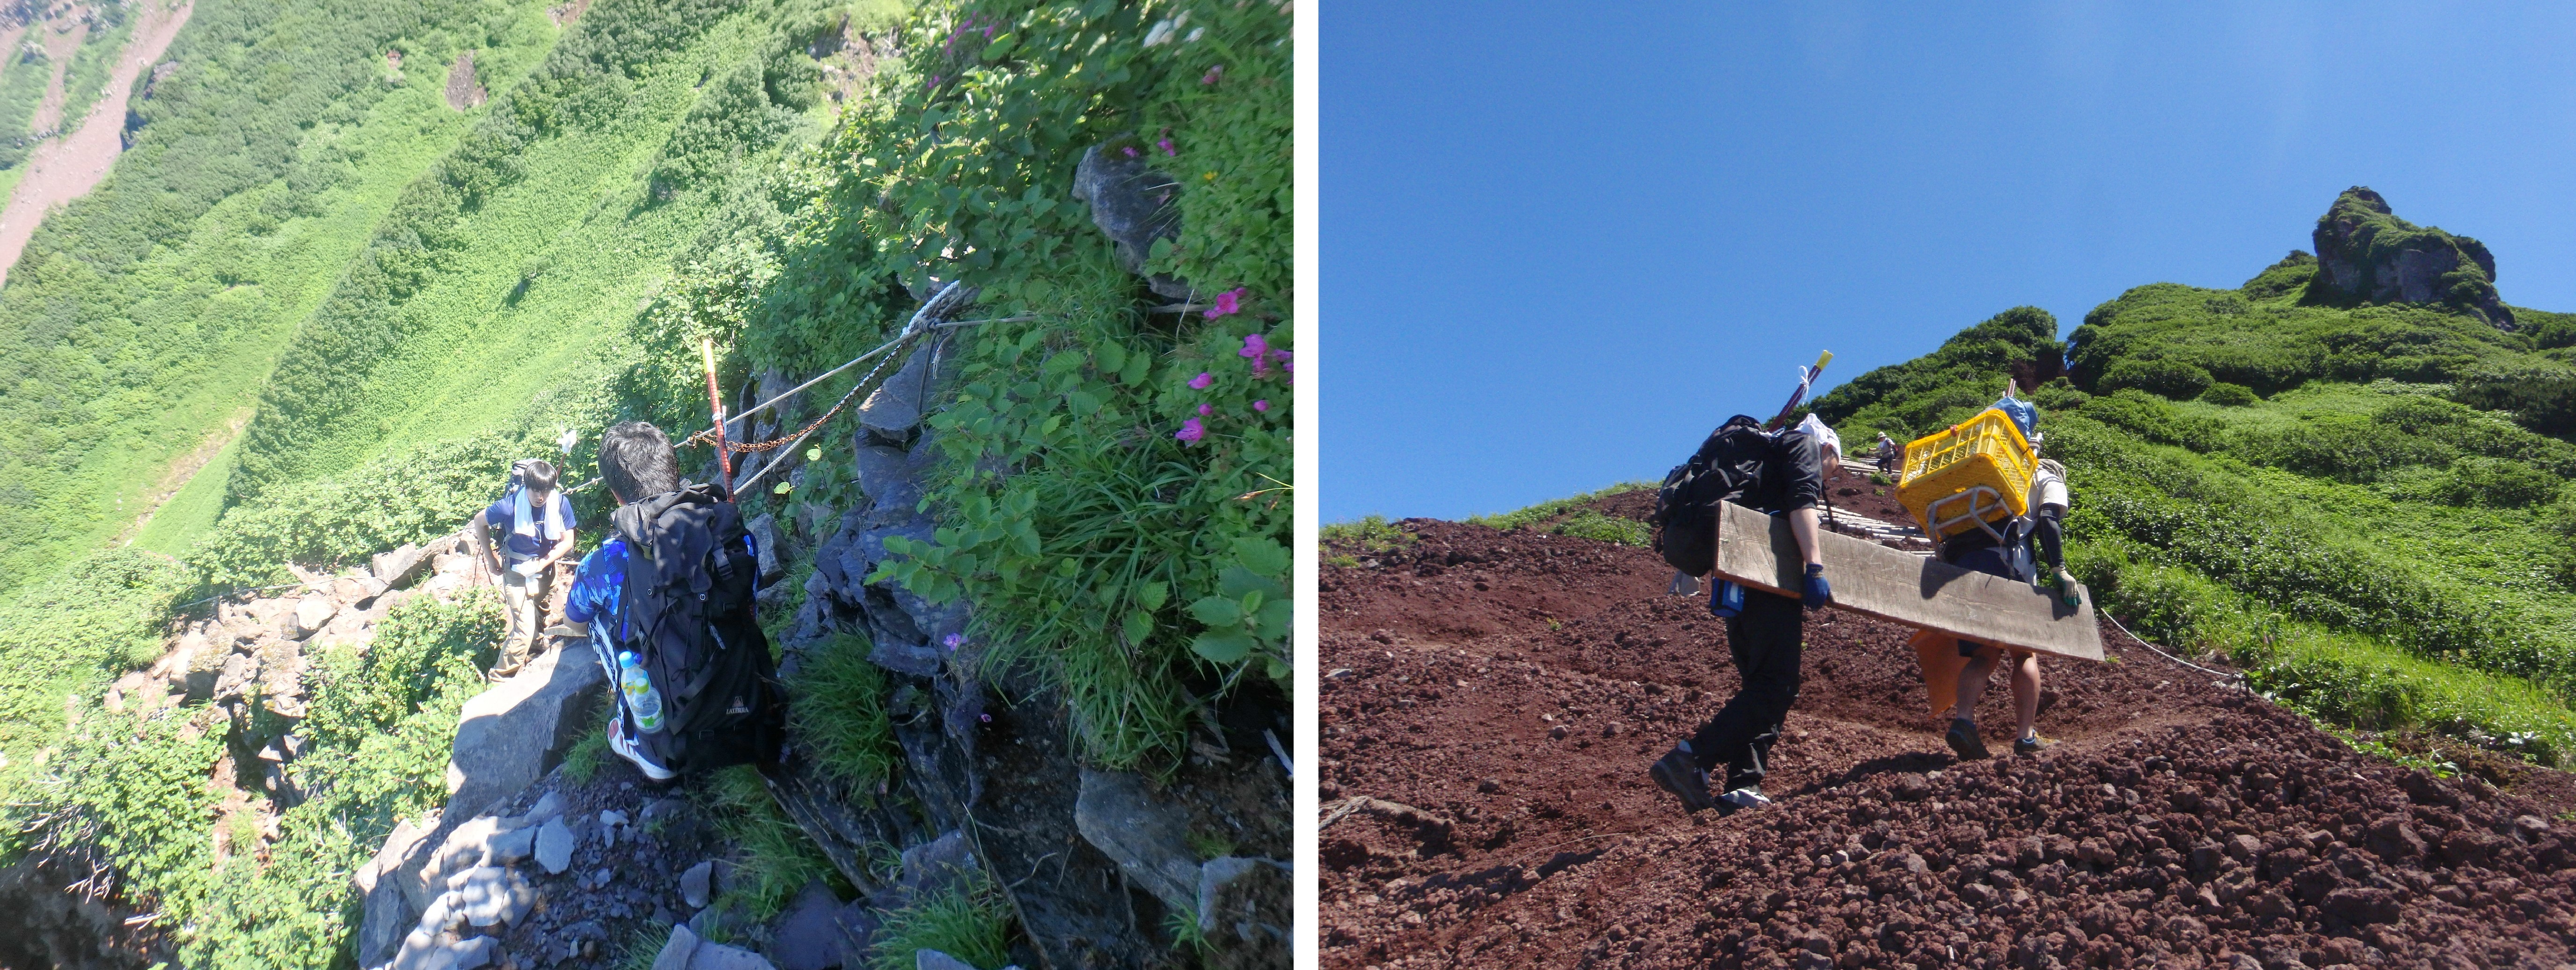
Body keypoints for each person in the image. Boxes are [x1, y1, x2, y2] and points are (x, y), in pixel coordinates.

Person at [560, 421, 772, 781]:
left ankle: (644, 741)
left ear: (617, 495)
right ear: (673, 471)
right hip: (746, 693)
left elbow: (574, 622)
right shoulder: (728, 531)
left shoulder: (604, 562)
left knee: (597, 622)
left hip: (675, 727)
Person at [1649, 415, 1831, 816]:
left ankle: (1743, 783)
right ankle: (1692, 757)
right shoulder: (1802, 448)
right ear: (1828, 450)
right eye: (1832, 466)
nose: (1829, 475)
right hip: (1766, 576)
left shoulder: (1760, 465)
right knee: (1777, 685)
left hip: (1733, 582)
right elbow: (1803, 502)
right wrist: (1815, 567)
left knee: (1761, 685)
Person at [470, 459, 576, 678]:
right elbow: (479, 522)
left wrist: (543, 563)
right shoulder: (509, 507)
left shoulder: (559, 503)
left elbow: (568, 542)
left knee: (541, 604)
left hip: (544, 570)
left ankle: (538, 642)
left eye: (546, 492)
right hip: (517, 573)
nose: (540, 497)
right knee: (523, 631)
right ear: (526, 486)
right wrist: (491, 559)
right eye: (536, 491)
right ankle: (500, 677)